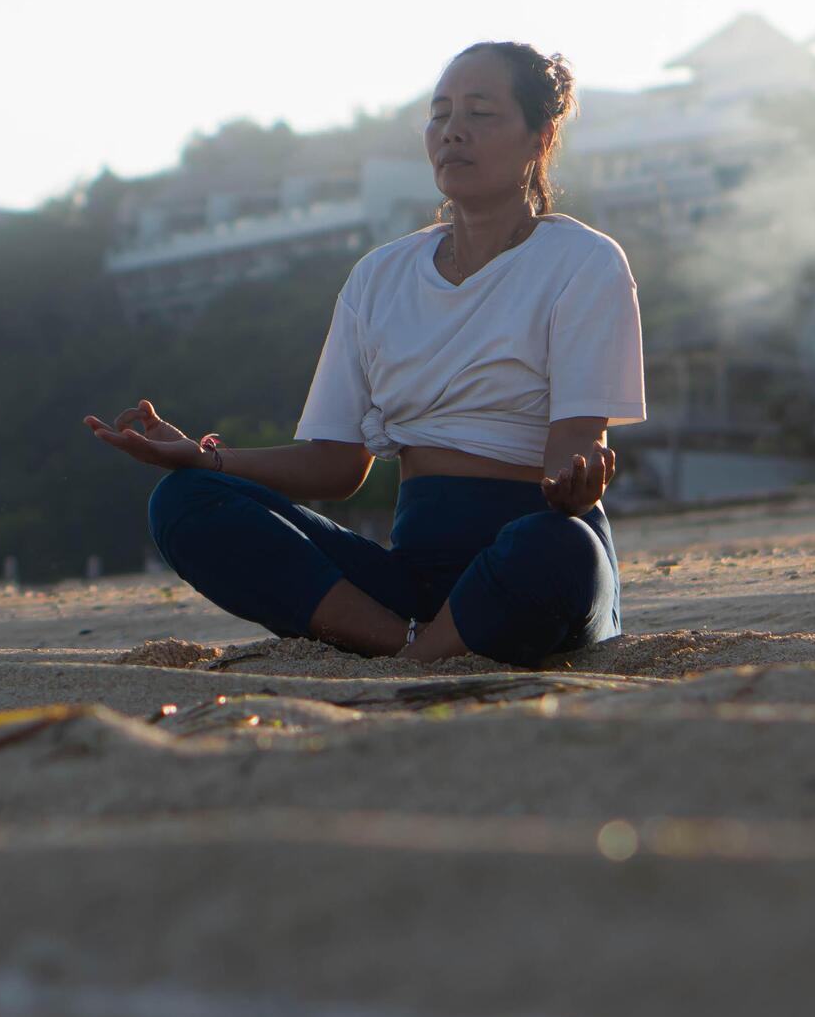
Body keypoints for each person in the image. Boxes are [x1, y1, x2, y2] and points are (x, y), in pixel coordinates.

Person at [84, 42, 644, 665]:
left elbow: (572, 445)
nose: (453, 131)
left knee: (554, 544)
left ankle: (417, 653)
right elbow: (335, 465)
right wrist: (206, 461)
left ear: (540, 136)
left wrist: (571, 489)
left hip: (532, 562)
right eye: (440, 114)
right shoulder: (379, 277)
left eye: (480, 114)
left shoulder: (583, 262)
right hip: (410, 587)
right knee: (183, 502)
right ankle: (413, 648)